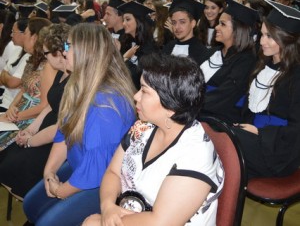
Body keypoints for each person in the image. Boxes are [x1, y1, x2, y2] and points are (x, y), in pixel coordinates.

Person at [83, 53, 224, 226]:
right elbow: (113, 172)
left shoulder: (196, 154)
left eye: (144, 91)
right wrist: (107, 207)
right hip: (131, 213)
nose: (136, 96)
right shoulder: (143, 127)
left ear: (171, 106)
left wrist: (104, 221)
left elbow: (160, 222)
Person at [23, 24, 136, 226]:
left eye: (69, 46)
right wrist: (49, 172)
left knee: (47, 222)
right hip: (82, 166)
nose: (64, 52)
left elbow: (97, 169)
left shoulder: (106, 103)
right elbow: (63, 134)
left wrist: (61, 190)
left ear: (86, 52)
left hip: (104, 182)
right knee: (31, 206)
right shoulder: (78, 84)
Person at [0, 23, 71, 199]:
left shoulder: (72, 79)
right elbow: (49, 105)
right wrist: (31, 129)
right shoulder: (63, 72)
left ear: (59, 54)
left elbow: (61, 126)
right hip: (42, 128)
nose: (45, 57)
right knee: (8, 164)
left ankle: (31, 206)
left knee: (12, 165)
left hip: (55, 138)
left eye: (47, 53)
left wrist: (31, 139)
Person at [233, 0, 300, 179]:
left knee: (227, 144)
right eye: (261, 34)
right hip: (254, 138)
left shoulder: (297, 76)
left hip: (278, 151)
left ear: (286, 38)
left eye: (269, 36)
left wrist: (259, 132)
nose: (262, 41)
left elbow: (297, 129)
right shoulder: (262, 65)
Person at [198, 0, 259, 124]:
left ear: (238, 30)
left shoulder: (246, 61)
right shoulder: (212, 53)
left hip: (223, 120)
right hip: (201, 111)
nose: (216, 27)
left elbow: (224, 95)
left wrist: (190, 104)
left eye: (223, 24)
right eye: (218, 23)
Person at [0, 17, 55, 151]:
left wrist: (12, 116)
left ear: (35, 37)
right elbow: (23, 89)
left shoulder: (48, 66)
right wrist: (12, 107)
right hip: (18, 113)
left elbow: (44, 105)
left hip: (31, 120)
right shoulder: (31, 60)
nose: (23, 37)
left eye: (25, 33)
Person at [117, 1, 158, 89]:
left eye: (128, 19)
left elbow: (140, 77)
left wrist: (125, 59)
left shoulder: (149, 48)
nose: (123, 23)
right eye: (123, 20)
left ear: (138, 21)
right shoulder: (125, 42)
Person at [162, 0, 208, 65]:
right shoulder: (168, 48)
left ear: (193, 23)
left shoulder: (202, 52)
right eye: (174, 23)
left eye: (182, 22)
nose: (177, 27)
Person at [0, 18, 30, 112]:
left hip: (11, 105)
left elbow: (12, 83)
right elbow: (3, 76)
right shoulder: (17, 49)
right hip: (4, 98)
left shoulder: (29, 57)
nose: (11, 35)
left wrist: (6, 75)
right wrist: (6, 76)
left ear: (23, 34)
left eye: (14, 32)